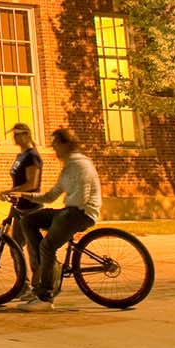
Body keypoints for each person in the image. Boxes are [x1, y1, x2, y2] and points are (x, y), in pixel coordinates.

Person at [10, 127, 102, 310]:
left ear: (65, 144)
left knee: (47, 246)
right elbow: (51, 196)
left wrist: (62, 215)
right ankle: (49, 267)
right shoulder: (68, 165)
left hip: (81, 213)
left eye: (55, 145)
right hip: (70, 210)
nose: (54, 149)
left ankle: (45, 298)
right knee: (28, 221)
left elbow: (81, 198)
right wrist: (23, 195)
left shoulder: (79, 163)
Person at [0, 121, 45, 284]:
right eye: (13, 134)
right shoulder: (20, 156)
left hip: (31, 208)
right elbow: (19, 181)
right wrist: (11, 193)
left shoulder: (32, 156)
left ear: (26, 135)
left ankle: (40, 286)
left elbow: (32, 184)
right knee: (16, 247)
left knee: (33, 249)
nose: (14, 137)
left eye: (17, 134)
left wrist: (10, 191)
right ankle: (22, 285)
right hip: (19, 207)